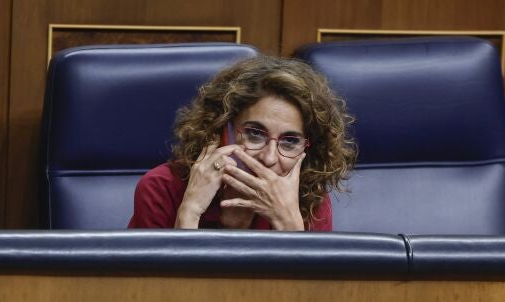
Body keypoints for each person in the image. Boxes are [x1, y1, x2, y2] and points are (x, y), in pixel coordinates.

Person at [128, 55, 356, 231]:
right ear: (221, 130)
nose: (269, 158)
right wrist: (189, 213)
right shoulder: (162, 189)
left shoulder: (308, 197)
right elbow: (158, 291)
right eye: (255, 133)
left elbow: (309, 293)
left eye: (290, 141)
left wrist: (290, 227)